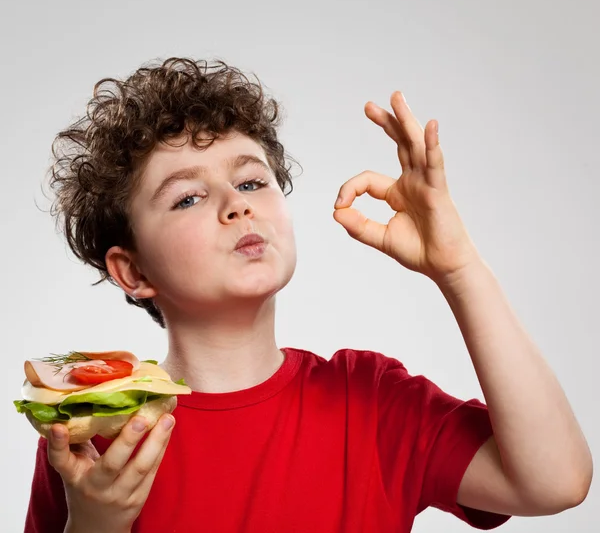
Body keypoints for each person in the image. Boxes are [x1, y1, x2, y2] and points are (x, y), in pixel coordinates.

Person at [24, 57, 592, 533]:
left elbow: (556, 482)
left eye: (250, 182)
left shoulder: (372, 402)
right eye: (189, 197)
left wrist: (460, 268)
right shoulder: (93, 432)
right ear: (132, 270)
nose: (237, 204)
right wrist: (92, 525)